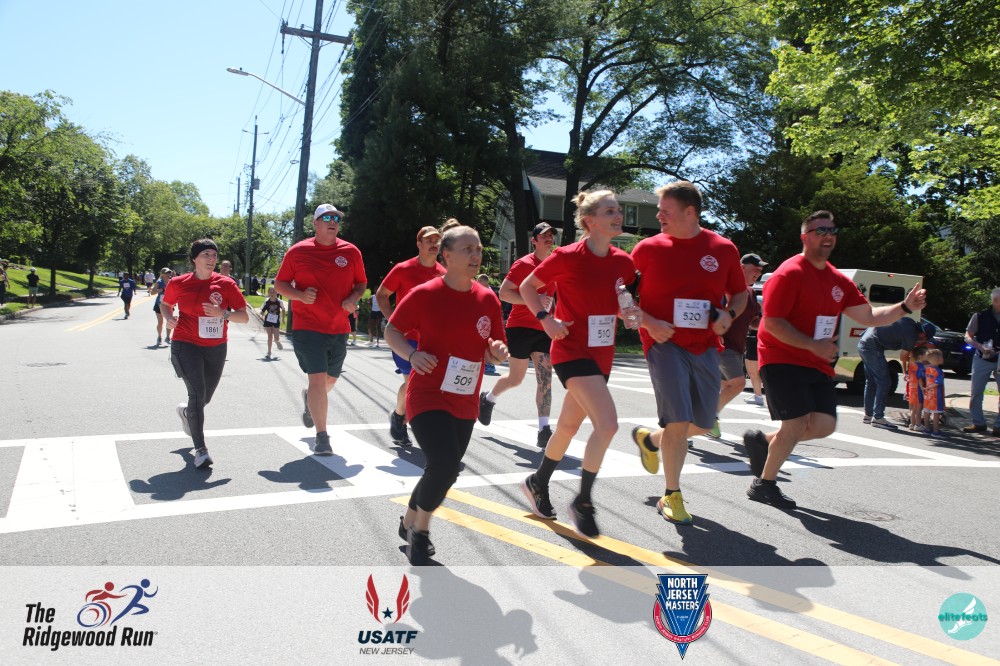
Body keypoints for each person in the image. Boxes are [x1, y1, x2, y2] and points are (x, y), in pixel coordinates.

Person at [743, 210, 927, 509]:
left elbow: (869, 316)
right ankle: (764, 485)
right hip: (781, 357)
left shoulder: (837, 280)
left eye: (832, 230)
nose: (828, 235)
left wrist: (904, 307)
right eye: (820, 231)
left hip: (817, 361)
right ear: (805, 237)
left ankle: (763, 442)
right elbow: (772, 322)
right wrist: (811, 344)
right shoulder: (789, 273)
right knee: (796, 424)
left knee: (824, 425)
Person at [517, 190, 638, 539]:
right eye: (609, 211)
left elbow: (617, 301)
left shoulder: (623, 262)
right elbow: (527, 286)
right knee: (608, 424)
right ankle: (583, 502)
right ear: (589, 221)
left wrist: (628, 312)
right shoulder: (567, 257)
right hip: (571, 350)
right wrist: (546, 320)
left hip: (602, 354)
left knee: (568, 427)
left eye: (618, 210)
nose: (618, 215)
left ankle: (538, 481)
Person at [386, 225, 508, 564]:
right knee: (444, 465)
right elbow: (392, 330)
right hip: (427, 394)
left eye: (478, 249)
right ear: (447, 255)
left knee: (443, 470)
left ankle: (408, 521)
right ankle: (420, 533)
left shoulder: (487, 298)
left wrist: (496, 352)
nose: (475, 255)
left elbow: (494, 347)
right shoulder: (425, 294)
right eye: (467, 249)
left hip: (465, 399)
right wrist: (411, 355)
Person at [628, 181, 747, 525]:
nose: (659, 216)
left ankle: (651, 440)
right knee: (678, 421)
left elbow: (740, 294)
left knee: (703, 423)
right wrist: (648, 321)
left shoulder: (722, 248)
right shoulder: (647, 249)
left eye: (665, 211)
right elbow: (620, 294)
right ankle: (672, 494)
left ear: (690, 212)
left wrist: (728, 314)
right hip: (662, 341)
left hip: (706, 344)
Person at [274, 204, 367, 456]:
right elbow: (280, 284)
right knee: (317, 379)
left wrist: (353, 298)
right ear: (315, 223)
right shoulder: (298, 251)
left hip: (339, 327)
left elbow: (361, 283)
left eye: (336, 218)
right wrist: (300, 296)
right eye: (327, 218)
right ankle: (322, 436)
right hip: (308, 327)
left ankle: (311, 399)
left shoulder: (351, 252)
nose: (333, 221)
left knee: (329, 380)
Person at [160, 239, 249, 468]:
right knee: (197, 394)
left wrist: (223, 314)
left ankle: (187, 413)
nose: (211, 259)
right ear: (194, 259)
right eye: (206, 255)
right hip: (185, 343)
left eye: (214, 255)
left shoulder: (226, 284)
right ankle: (201, 450)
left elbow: (244, 316)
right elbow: (165, 304)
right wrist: (169, 318)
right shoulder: (178, 283)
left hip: (216, 347)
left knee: (205, 398)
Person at [479, 222, 557, 447]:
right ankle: (488, 399)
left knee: (545, 379)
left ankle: (544, 429)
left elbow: (554, 299)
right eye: (544, 236)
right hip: (520, 328)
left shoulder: (555, 265)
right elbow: (504, 294)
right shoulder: (524, 264)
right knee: (516, 378)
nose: (549, 239)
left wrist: (554, 316)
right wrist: (533, 300)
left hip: (543, 329)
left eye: (551, 235)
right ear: (534, 241)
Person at [375, 225, 446, 446]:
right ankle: (406, 421)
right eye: (428, 240)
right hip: (406, 340)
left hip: (432, 340)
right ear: (419, 244)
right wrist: (393, 321)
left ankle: (399, 415)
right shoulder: (402, 269)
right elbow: (382, 295)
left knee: (427, 384)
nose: (434, 244)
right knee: (414, 382)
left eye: (437, 240)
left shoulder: (444, 274)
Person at [707, 253, 766, 438]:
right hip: (723, 346)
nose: (758, 273)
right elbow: (711, 311)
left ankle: (700, 418)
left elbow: (753, 322)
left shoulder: (751, 293)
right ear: (741, 268)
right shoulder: (726, 288)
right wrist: (715, 333)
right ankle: (707, 417)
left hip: (738, 347)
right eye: (755, 269)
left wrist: (767, 323)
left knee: (725, 385)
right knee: (738, 383)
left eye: (760, 270)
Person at [857, 318, 935, 428]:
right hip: (872, 347)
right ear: (923, 335)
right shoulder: (911, 335)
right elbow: (903, 357)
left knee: (871, 382)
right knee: (884, 382)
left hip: (863, 342)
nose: (923, 342)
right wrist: (918, 361)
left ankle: (868, 415)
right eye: (925, 340)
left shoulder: (909, 322)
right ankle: (878, 418)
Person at [962, 288, 1000, 436]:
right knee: (976, 391)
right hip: (982, 357)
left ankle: (998, 426)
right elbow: (968, 336)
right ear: (995, 301)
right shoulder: (980, 316)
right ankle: (978, 423)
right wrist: (980, 347)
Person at [477, 275, 502, 376]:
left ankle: (489, 364)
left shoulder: (486, 292)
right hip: (486, 321)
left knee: (486, 342)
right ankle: (488, 364)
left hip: (485, 321)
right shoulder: (490, 291)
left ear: (480, 280)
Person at [922, 348, 946, 437]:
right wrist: (930, 387)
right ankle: (936, 431)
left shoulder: (927, 369)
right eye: (942, 357)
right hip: (936, 396)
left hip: (927, 396)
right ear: (938, 359)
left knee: (926, 412)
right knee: (936, 414)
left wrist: (926, 388)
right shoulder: (938, 371)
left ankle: (927, 429)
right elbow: (937, 383)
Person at [905, 345, 928, 431]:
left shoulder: (912, 365)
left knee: (912, 407)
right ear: (921, 356)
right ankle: (918, 425)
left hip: (911, 388)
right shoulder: (921, 367)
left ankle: (912, 423)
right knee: (919, 408)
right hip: (918, 388)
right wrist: (923, 388)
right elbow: (920, 378)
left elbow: (907, 375)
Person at [260, 287, 286, 359]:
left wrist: (283, 319)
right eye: (270, 292)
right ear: (268, 293)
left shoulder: (279, 302)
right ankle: (269, 352)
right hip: (268, 320)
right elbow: (262, 311)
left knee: (276, 337)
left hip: (276, 320)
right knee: (269, 336)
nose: (272, 293)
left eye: (274, 292)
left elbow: (283, 309)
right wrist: (261, 315)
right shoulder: (266, 302)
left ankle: (277, 341)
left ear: (277, 293)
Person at [150, 267, 173, 346]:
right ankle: (159, 337)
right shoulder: (159, 282)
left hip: (169, 304)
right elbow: (152, 293)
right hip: (159, 304)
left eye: (169, 272)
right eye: (166, 273)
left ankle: (168, 337)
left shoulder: (171, 282)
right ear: (162, 274)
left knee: (169, 321)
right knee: (160, 322)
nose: (168, 274)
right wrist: (160, 290)